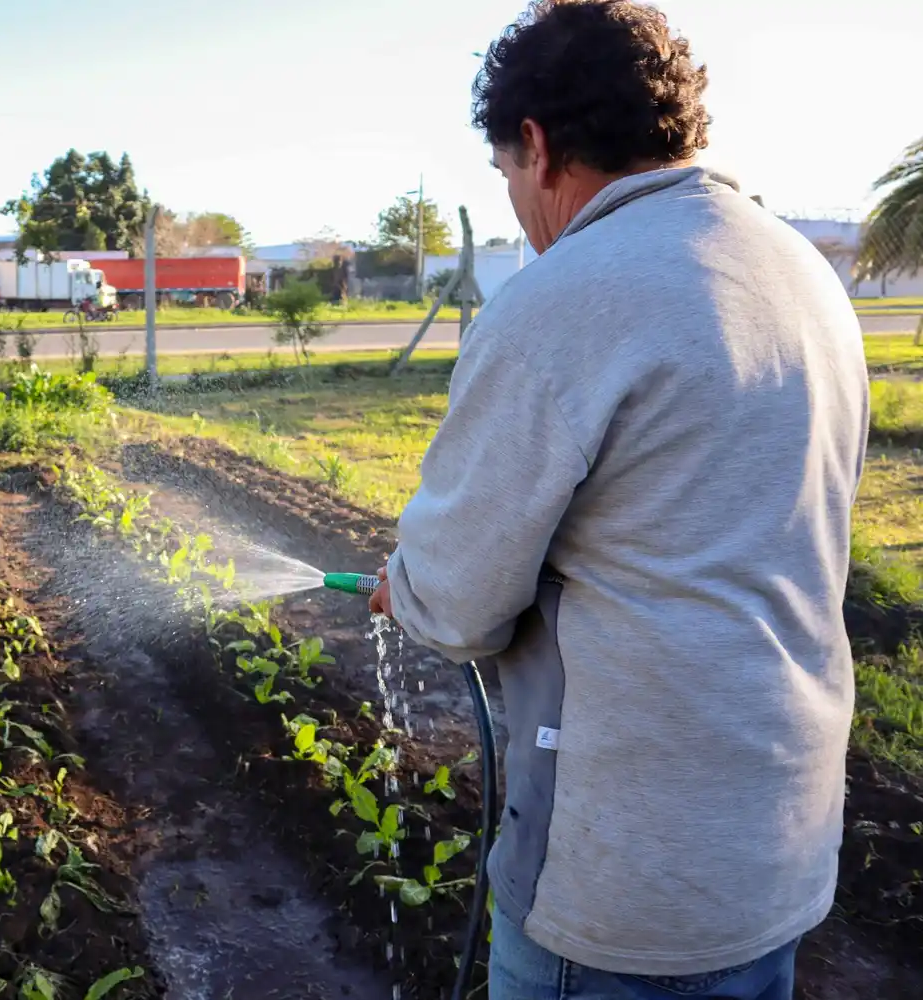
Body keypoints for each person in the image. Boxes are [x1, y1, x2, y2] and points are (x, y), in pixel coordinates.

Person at [366, 2, 868, 998]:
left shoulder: (561, 304)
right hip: (779, 844)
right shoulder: (803, 277)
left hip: (624, 889)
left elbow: (458, 600)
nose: (515, 200)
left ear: (538, 146)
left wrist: (408, 590)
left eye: (506, 172)